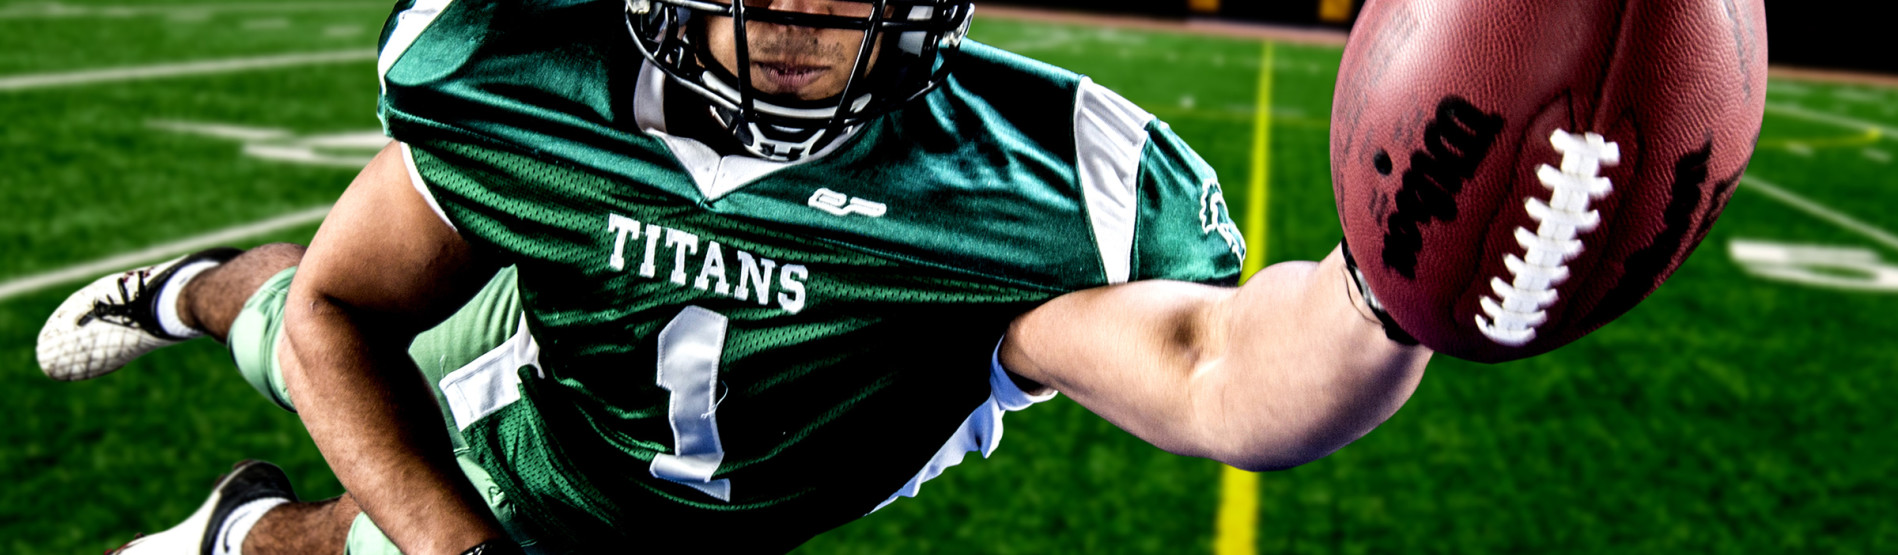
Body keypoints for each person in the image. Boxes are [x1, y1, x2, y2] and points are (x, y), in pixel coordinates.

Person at [38, 0, 1432, 553]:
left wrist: (1403, 281)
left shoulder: (1035, 187)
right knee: (292, 331)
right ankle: (197, 320)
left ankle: (237, 514)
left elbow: (1229, 378)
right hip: (552, 391)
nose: (797, 15)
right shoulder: (526, 67)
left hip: (713, 460)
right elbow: (346, 310)